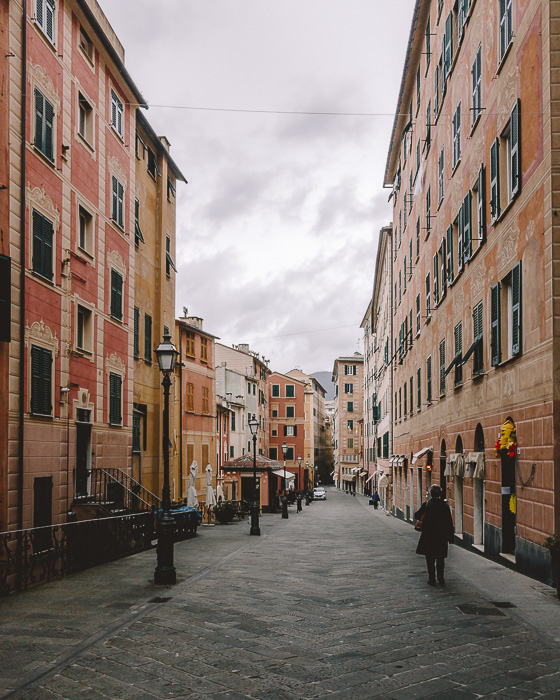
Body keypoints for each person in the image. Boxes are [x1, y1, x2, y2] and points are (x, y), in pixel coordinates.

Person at [415, 484, 454, 586]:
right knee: (440, 559)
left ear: (431, 494)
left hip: (429, 536)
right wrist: (450, 537)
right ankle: (441, 579)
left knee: (430, 559)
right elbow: (449, 522)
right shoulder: (444, 506)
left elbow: (417, 515)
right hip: (441, 536)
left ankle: (431, 579)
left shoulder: (427, 504)